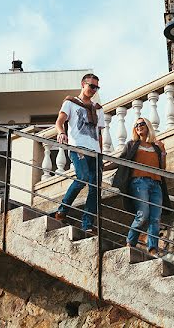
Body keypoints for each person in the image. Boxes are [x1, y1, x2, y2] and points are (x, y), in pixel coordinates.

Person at [53, 73, 106, 234]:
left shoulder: (98, 109)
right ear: (83, 84)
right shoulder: (70, 102)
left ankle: (87, 224)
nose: (93, 90)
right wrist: (61, 133)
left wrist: (101, 155)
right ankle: (62, 210)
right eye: (91, 86)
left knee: (95, 188)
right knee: (82, 178)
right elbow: (59, 122)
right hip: (78, 147)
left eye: (96, 87)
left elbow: (100, 134)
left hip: (95, 152)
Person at [112, 117, 170, 256]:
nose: (139, 126)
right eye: (136, 125)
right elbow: (122, 160)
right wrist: (103, 165)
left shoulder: (156, 146)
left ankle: (152, 248)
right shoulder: (132, 144)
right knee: (143, 214)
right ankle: (130, 242)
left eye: (142, 124)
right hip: (139, 182)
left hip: (156, 184)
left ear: (148, 126)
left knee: (155, 217)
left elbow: (162, 168)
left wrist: (162, 152)